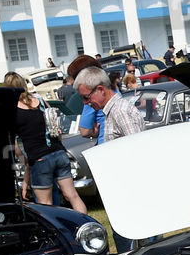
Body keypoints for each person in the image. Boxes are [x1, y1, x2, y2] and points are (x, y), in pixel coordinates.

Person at [9, 71, 86, 213]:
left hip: (39, 158)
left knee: (46, 204)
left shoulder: (12, 111)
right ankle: (87, 227)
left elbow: (16, 148)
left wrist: (25, 163)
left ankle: (56, 234)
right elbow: (54, 125)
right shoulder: (39, 100)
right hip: (58, 151)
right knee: (72, 195)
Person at [74, 65, 146, 140]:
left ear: (101, 90)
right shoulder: (113, 111)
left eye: (86, 97)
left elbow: (136, 146)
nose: (85, 102)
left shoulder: (120, 112)